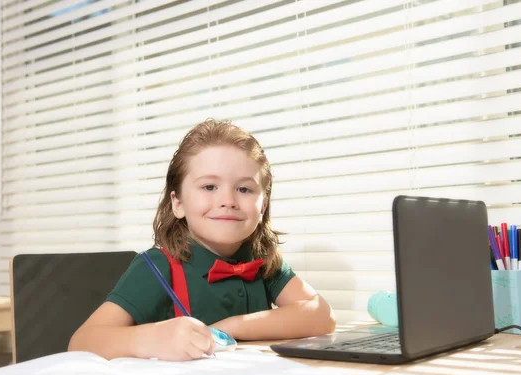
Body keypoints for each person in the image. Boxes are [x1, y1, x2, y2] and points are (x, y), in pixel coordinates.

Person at [68, 119, 336, 361]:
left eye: (244, 189)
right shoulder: (156, 267)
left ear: (263, 206)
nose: (228, 201)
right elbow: (82, 343)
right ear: (178, 203)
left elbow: (321, 316)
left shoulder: (262, 259)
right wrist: (153, 338)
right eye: (209, 187)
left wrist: (229, 327)